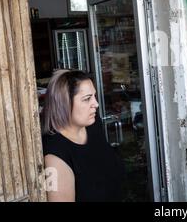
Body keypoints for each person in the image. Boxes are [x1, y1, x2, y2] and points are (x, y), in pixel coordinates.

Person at [41, 69, 125, 202]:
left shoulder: (92, 124)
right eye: (87, 99)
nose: (96, 104)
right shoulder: (55, 155)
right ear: (64, 103)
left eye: (94, 96)